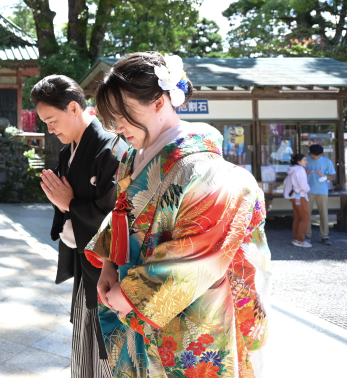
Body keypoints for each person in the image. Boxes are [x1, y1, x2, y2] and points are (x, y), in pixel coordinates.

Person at [84, 52, 271, 378]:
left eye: (123, 115)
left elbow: (201, 253)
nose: (118, 127)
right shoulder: (133, 157)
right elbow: (121, 214)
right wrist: (110, 265)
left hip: (189, 312)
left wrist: (132, 295)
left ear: (159, 101)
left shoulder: (204, 169)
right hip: (131, 301)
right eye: (112, 118)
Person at [33, 75, 127, 378]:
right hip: (84, 263)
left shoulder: (109, 149)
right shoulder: (69, 150)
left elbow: (116, 218)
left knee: (106, 347)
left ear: (74, 107)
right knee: (84, 343)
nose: (50, 129)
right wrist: (64, 203)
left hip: (106, 269)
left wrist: (69, 204)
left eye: (52, 120)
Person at [305, 144, 335, 246]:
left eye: (316, 155)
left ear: (321, 154)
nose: (314, 157)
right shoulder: (305, 160)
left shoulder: (327, 161)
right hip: (307, 190)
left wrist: (323, 175)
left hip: (322, 191)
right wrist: (305, 172)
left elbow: (332, 177)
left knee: (324, 214)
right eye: (312, 154)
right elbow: (298, 172)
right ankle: (307, 235)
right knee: (307, 214)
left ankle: (324, 236)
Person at [284, 153, 311, 248]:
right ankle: (300, 240)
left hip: (293, 196)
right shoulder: (300, 170)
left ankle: (296, 238)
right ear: (299, 161)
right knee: (305, 218)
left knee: (298, 217)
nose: (306, 162)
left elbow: (285, 183)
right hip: (300, 195)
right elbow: (304, 186)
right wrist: (308, 189)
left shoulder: (292, 170)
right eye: (305, 160)